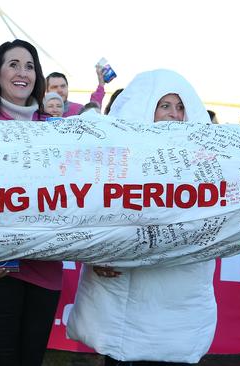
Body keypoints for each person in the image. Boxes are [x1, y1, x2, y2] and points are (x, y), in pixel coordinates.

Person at [67, 69, 216, 366]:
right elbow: (90, 215)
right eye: (165, 106)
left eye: (180, 107)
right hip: (123, 288)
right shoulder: (112, 164)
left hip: (179, 289)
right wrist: (98, 253)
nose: (174, 115)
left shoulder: (207, 165)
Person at [0, 39, 61, 366]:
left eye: (29, 66)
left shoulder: (54, 131)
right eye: (13, 65)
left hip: (45, 270)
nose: (23, 72)